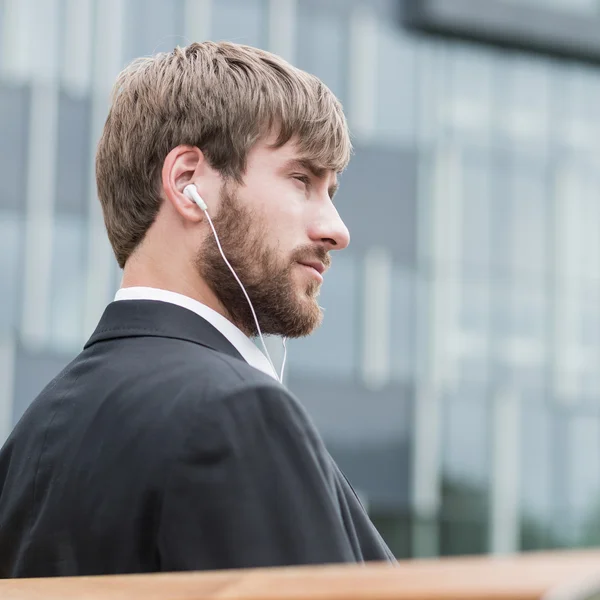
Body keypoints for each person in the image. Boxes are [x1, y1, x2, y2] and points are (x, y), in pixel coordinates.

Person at [0, 41, 395, 577]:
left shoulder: (29, 440)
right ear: (188, 183)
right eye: (302, 180)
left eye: (332, 191)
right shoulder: (238, 413)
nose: (337, 230)